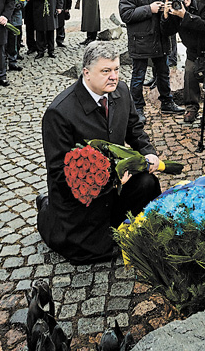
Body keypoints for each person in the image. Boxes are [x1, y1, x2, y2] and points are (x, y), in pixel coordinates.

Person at [37, 42, 162, 263]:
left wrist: (147, 151)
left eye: (116, 69)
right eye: (105, 71)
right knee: (96, 253)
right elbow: (58, 173)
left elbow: (134, 128)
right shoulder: (59, 113)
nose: (113, 76)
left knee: (147, 184)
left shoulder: (121, 91)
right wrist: (109, 180)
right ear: (86, 73)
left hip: (114, 186)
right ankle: (47, 210)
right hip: (82, 196)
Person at [118, 0, 183, 124]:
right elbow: (126, 15)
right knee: (138, 75)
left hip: (159, 38)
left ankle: (167, 102)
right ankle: (137, 108)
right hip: (141, 39)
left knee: (163, 73)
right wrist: (149, 9)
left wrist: (165, 9)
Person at [0, 0, 24, 72]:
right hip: (2, 17)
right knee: (2, 42)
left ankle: (13, 61)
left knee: (13, 41)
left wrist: (21, 4)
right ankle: (1, 63)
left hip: (15, 17)